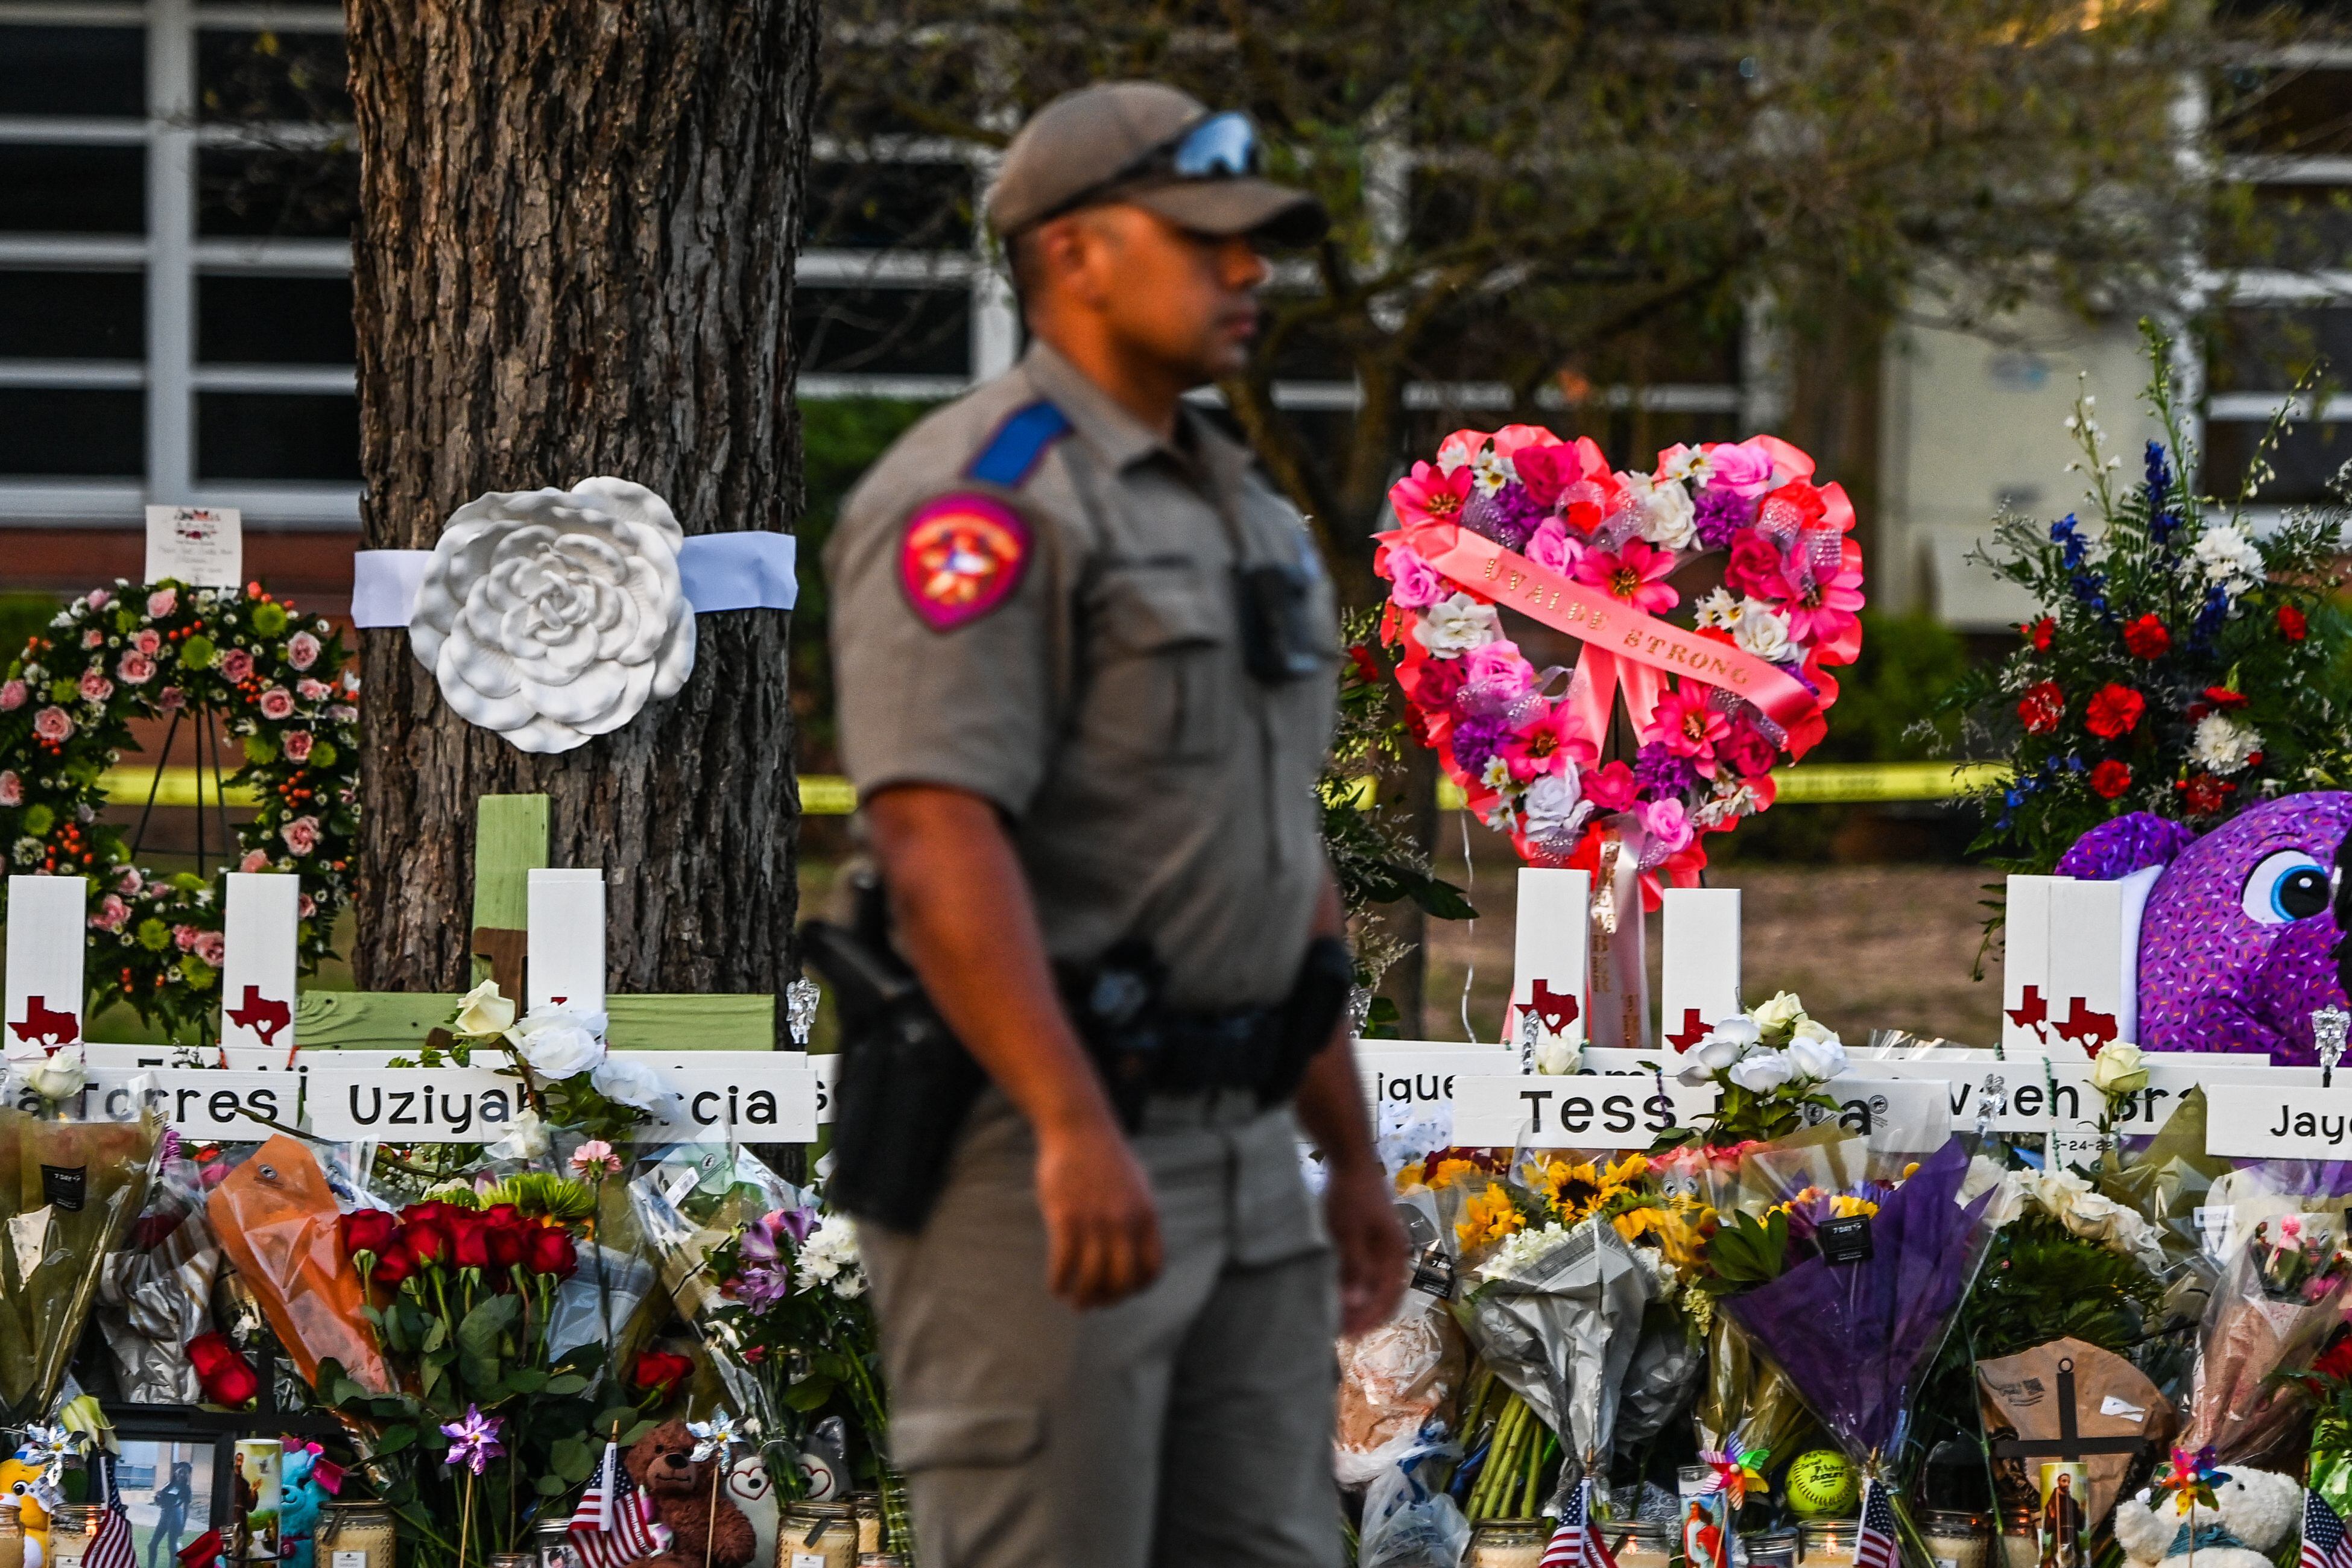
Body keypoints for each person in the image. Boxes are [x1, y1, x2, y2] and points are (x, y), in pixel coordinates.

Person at [825, 79, 1407, 1568]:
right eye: (1206, 237)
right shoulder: (982, 499)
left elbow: (1275, 850)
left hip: (1234, 1143)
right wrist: (1075, 1125)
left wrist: (1347, 1151)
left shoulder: (1235, 506)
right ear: (1074, 252)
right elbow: (937, 834)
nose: (1249, 270)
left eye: (1257, 242)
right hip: (1035, 1150)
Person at [147, 1461, 194, 1568]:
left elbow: (186, 1509)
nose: (182, 1475)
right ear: (176, 1472)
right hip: (165, 1516)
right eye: (180, 1472)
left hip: (176, 1517)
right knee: (152, 1545)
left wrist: (183, 1526)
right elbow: (160, 1501)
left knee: (172, 1547)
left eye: (185, 1473)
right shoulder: (168, 1485)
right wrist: (158, 1497)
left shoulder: (186, 1489)